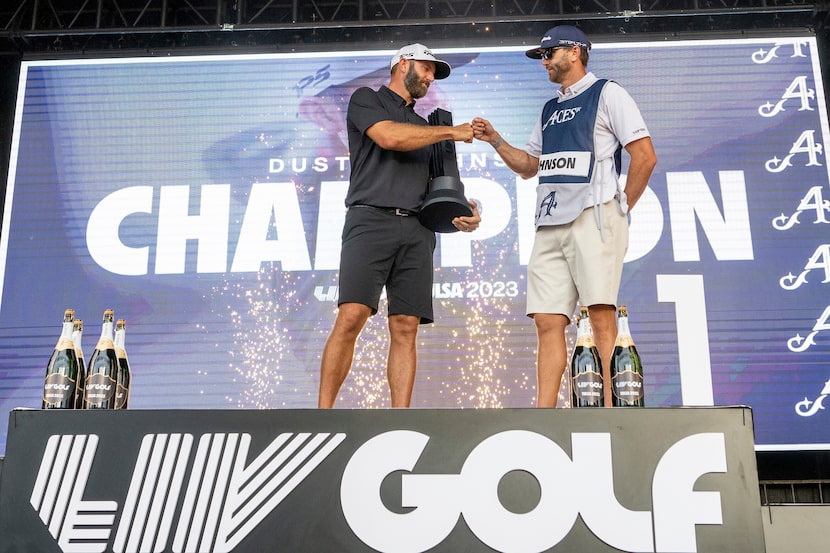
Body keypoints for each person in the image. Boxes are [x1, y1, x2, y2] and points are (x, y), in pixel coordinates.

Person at [472, 25, 657, 407]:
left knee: (600, 312)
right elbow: (529, 166)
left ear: (574, 52)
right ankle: (546, 415)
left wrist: (622, 207)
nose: (543, 61)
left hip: (595, 215)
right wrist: (495, 140)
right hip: (550, 221)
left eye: (548, 53)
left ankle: (609, 410)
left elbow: (645, 155)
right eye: (542, 55)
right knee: (546, 319)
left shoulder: (608, 92)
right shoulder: (550, 107)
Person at [318, 43, 481, 408]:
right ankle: (322, 416)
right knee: (352, 315)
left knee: (406, 325)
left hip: (417, 231)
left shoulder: (427, 128)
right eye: (426, 68)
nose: (430, 77)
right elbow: (390, 137)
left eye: (434, 73)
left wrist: (468, 208)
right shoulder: (366, 100)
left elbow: (441, 189)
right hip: (369, 219)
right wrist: (452, 132)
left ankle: (400, 419)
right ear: (403, 63)